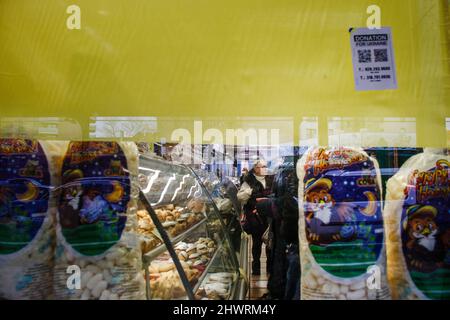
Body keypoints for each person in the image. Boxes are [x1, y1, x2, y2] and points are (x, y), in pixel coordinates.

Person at [237, 159, 273, 276]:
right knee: (256, 243)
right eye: (262, 166)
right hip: (255, 218)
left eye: (265, 166)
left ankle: (269, 268)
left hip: (269, 216)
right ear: (256, 168)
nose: (264, 169)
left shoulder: (271, 178)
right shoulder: (249, 180)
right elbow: (241, 198)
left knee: (269, 243)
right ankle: (256, 268)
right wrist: (250, 192)